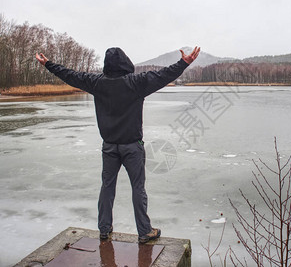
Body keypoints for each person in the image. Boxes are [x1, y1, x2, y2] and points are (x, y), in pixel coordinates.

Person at [35, 46, 200, 243]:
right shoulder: (136, 82)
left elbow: (70, 75)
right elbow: (162, 76)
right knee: (138, 188)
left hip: (109, 146)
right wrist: (184, 63)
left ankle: (104, 229)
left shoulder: (96, 83)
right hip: (132, 146)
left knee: (107, 187)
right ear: (126, 62)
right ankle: (144, 231)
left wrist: (48, 64)